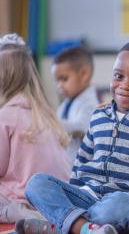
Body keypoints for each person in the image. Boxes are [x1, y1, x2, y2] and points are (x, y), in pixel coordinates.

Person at [16, 40, 129, 234]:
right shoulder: (99, 116)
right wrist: (71, 194)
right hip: (88, 194)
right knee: (36, 183)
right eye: (119, 76)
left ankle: (58, 227)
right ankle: (84, 228)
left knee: (119, 206)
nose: (125, 85)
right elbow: (82, 160)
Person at [0, 33, 71, 223]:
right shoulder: (45, 113)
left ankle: (27, 217)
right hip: (59, 198)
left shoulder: (5, 116)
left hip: (25, 201)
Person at [52, 46, 100, 165]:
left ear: (84, 74)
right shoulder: (66, 103)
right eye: (57, 81)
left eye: (64, 79)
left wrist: (49, 121)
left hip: (81, 170)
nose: (60, 85)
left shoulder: (90, 104)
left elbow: (80, 127)